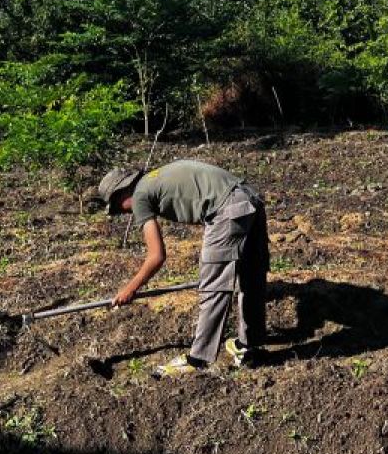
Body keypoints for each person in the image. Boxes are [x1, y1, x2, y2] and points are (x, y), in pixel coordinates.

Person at [97, 160, 269, 377]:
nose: (124, 213)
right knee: (251, 276)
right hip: (248, 197)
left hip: (227, 207)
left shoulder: (140, 196)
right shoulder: (154, 180)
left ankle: (198, 359)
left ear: (122, 194)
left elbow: (156, 256)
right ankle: (249, 345)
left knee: (213, 287)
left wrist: (130, 288)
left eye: (118, 208)